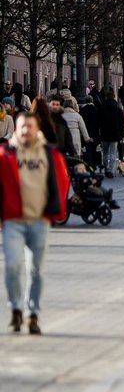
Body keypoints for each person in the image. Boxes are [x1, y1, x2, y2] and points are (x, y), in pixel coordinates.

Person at [1, 111, 69, 334]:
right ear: (16, 128)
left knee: (36, 271)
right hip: (13, 221)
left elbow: (61, 181)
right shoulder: (5, 154)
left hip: (39, 221)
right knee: (12, 267)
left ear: (36, 128)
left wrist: (55, 210)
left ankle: (33, 314)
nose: (25, 131)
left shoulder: (49, 154)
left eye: (29, 126)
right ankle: (16, 308)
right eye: (22, 126)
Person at [98, 90, 124, 178]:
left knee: (105, 153)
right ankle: (112, 171)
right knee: (113, 153)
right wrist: (122, 134)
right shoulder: (118, 110)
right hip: (115, 134)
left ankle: (107, 169)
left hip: (104, 134)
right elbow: (122, 124)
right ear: (114, 97)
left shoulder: (102, 110)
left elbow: (99, 123)